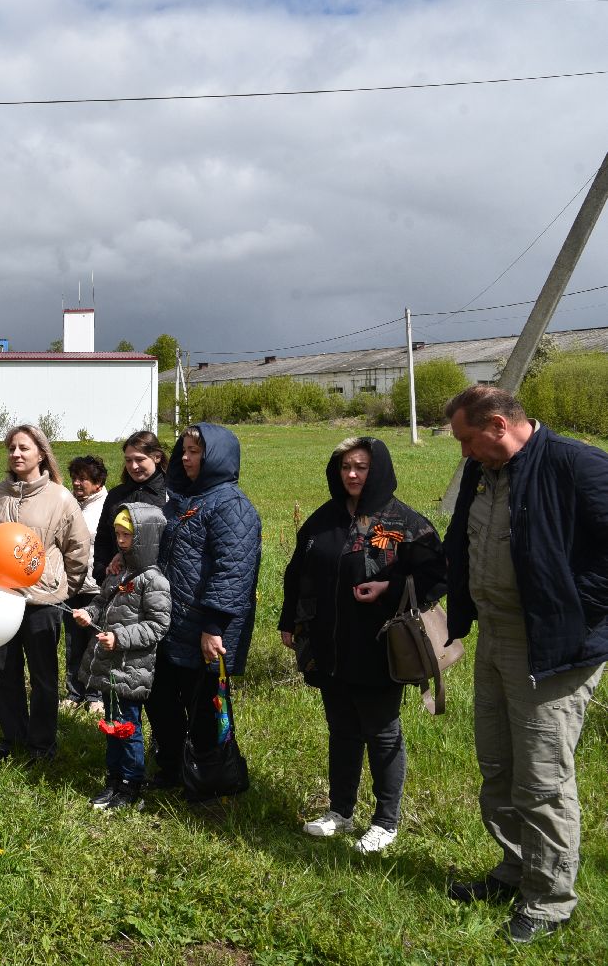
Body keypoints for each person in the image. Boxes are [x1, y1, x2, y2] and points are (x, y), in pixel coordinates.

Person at [442, 385, 608, 943]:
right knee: (498, 767)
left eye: (467, 439)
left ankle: (550, 900)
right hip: (494, 635)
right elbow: (460, 539)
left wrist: (573, 604)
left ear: (496, 424)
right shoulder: (482, 471)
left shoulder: (574, 463)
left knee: (541, 781)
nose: (463, 452)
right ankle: (515, 869)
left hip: (550, 646)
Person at [280, 436, 445, 855]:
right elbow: (297, 573)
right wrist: (288, 622)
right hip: (328, 645)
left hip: (379, 645)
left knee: (382, 732)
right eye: (345, 467)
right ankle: (341, 811)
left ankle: (385, 821)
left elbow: (438, 577)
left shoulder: (406, 523)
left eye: (361, 467)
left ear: (379, 470)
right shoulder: (322, 520)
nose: (352, 475)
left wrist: (389, 588)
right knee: (342, 730)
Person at [151, 423, 261, 792]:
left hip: (204, 629)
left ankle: (210, 779)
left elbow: (234, 571)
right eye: (184, 450)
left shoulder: (232, 506)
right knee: (162, 702)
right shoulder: (182, 500)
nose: (185, 457)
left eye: (195, 451)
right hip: (167, 623)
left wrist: (213, 626)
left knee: (204, 708)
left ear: (216, 455)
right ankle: (171, 769)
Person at [0, 425, 91, 766]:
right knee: (0, 673)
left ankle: (42, 746)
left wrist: (64, 588)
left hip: (42, 602)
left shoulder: (60, 498)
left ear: (41, 453)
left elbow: (78, 549)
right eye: (11, 447)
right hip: (0, 599)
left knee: (43, 676)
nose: (16, 453)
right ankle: (12, 737)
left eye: (23, 448)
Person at [72, 502, 171, 811]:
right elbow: (101, 602)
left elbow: (158, 625)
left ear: (144, 538)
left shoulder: (154, 581)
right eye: (117, 534)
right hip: (109, 665)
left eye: (126, 535)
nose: (120, 541)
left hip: (131, 668)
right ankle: (113, 780)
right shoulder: (119, 571)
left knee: (127, 727)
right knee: (112, 724)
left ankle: (130, 785)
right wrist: (87, 614)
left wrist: (120, 637)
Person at [64, 454, 110, 712]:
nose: (77, 484)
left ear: (98, 481)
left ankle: (95, 696)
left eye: (83, 479)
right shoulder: (71, 505)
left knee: (96, 642)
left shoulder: (107, 505)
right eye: (74, 478)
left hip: (97, 587)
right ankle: (74, 693)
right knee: (73, 643)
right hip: (71, 586)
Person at [93, 431, 170, 583]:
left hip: (158, 586)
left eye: (140, 459)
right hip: (118, 584)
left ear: (157, 457)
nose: (133, 466)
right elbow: (103, 537)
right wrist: (102, 571)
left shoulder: (170, 495)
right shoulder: (116, 495)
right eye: (128, 460)